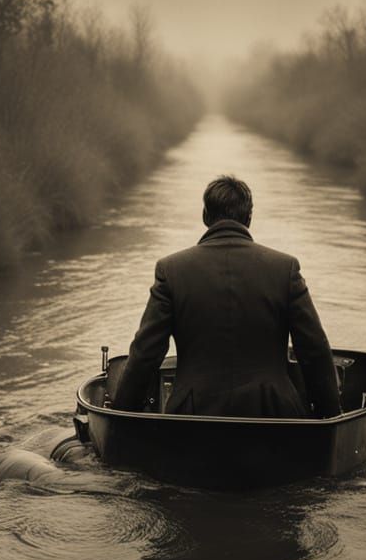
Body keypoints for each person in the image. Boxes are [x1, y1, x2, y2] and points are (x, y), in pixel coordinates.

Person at [111, 175, 342, 418]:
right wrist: (332, 414)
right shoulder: (285, 268)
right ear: (249, 218)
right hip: (274, 416)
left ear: (205, 216)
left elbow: (147, 352)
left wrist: (120, 414)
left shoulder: (171, 270)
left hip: (193, 419)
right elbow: (313, 350)